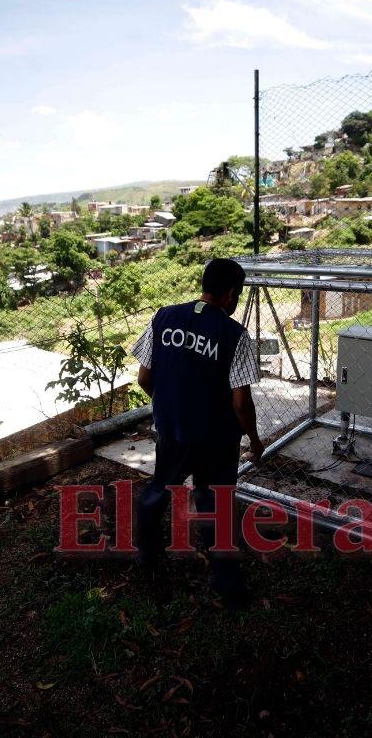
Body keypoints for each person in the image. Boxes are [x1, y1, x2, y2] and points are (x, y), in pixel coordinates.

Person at [130, 258, 264, 609]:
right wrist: (254, 437)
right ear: (231, 294)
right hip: (217, 439)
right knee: (214, 503)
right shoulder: (235, 336)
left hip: (173, 430)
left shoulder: (164, 317)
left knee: (159, 489)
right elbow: (240, 402)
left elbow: (145, 378)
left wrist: (169, 406)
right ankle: (229, 588)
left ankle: (147, 552)